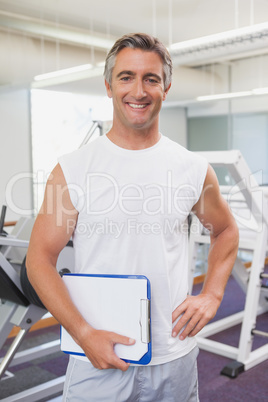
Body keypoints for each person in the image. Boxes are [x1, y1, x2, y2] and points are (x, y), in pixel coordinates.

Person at [26, 33, 239, 401]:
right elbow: (39, 259)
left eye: (150, 79)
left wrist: (213, 293)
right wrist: (82, 333)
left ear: (165, 88)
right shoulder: (73, 169)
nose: (138, 91)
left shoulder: (192, 168)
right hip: (98, 356)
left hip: (175, 355)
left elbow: (225, 230)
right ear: (108, 86)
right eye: (126, 77)